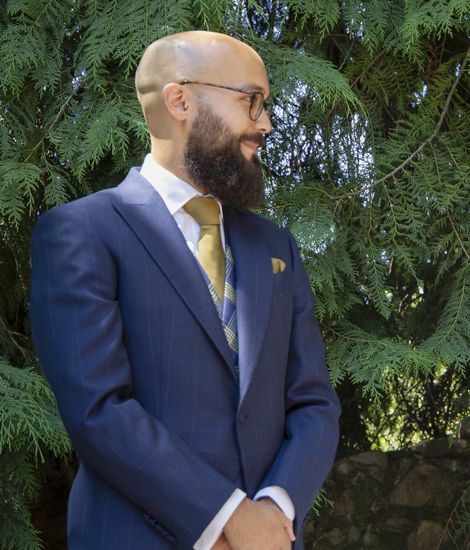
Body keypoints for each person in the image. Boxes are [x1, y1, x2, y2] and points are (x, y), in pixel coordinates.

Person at [30, 31, 341, 550]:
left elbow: (313, 402)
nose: (264, 123)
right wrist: (227, 519)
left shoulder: (275, 246)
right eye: (251, 101)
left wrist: (274, 510)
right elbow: (100, 410)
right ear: (180, 99)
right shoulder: (81, 233)